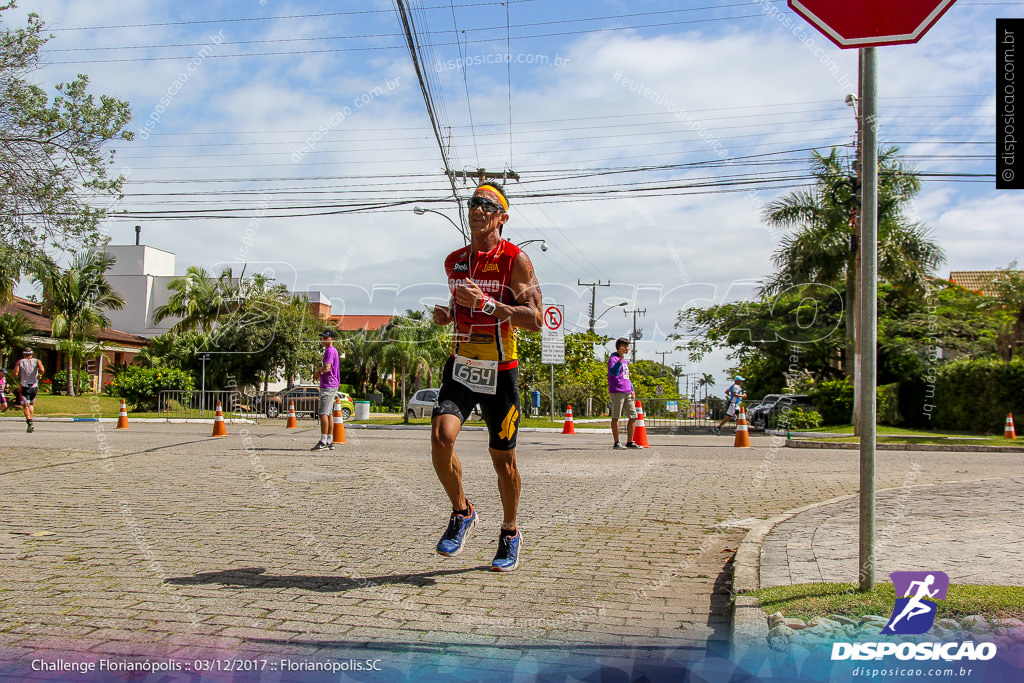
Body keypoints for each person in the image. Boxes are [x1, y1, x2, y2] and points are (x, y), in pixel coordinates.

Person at [431, 182, 542, 572]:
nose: (477, 208)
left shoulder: (516, 260)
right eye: (472, 203)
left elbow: (536, 320)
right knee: (441, 439)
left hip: (501, 371)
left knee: (503, 461)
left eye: (487, 204)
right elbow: (459, 303)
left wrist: (488, 304)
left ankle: (510, 532)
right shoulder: (454, 261)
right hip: (461, 365)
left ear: (502, 217)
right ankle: (462, 512)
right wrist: (448, 314)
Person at [311, 329, 341, 451]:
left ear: (331, 339)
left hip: (328, 385)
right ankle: (329, 440)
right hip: (331, 384)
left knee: (322, 412)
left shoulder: (330, 351)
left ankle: (323, 441)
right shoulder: (331, 351)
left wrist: (319, 370)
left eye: (326, 337)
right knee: (328, 413)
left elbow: (327, 368)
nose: (323, 339)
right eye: (323, 337)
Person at [608, 338, 640, 449]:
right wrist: (620, 359)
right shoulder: (613, 359)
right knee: (616, 416)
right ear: (621, 347)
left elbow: (626, 376)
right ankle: (617, 442)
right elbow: (613, 372)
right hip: (617, 391)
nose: (628, 348)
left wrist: (632, 389)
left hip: (627, 391)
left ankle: (630, 441)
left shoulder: (625, 361)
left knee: (633, 416)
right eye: (626, 346)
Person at [14, 347, 44, 433]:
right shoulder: (37, 361)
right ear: (32, 354)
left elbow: (15, 374)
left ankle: (29, 422)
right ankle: (31, 421)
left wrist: (21, 374)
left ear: (23, 354)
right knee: (31, 404)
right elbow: (42, 370)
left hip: (24, 385)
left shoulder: (20, 362)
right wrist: (39, 375)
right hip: (34, 386)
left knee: (25, 405)